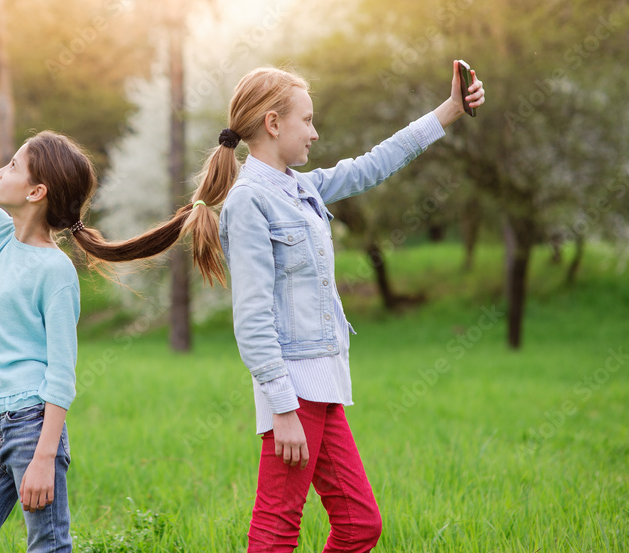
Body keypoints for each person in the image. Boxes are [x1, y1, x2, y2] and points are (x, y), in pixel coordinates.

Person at [0, 44, 225, 553]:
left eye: (12, 165)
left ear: (36, 192)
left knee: (49, 547)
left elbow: (61, 372)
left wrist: (45, 456)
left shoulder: (54, 271)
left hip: (33, 428)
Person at [182, 62, 485, 552]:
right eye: (307, 120)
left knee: (359, 525)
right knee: (276, 532)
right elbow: (252, 320)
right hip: (294, 391)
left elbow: (376, 162)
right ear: (274, 124)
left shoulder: (302, 188)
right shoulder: (249, 202)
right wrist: (282, 408)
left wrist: (449, 110)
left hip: (323, 385)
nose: (315, 132)